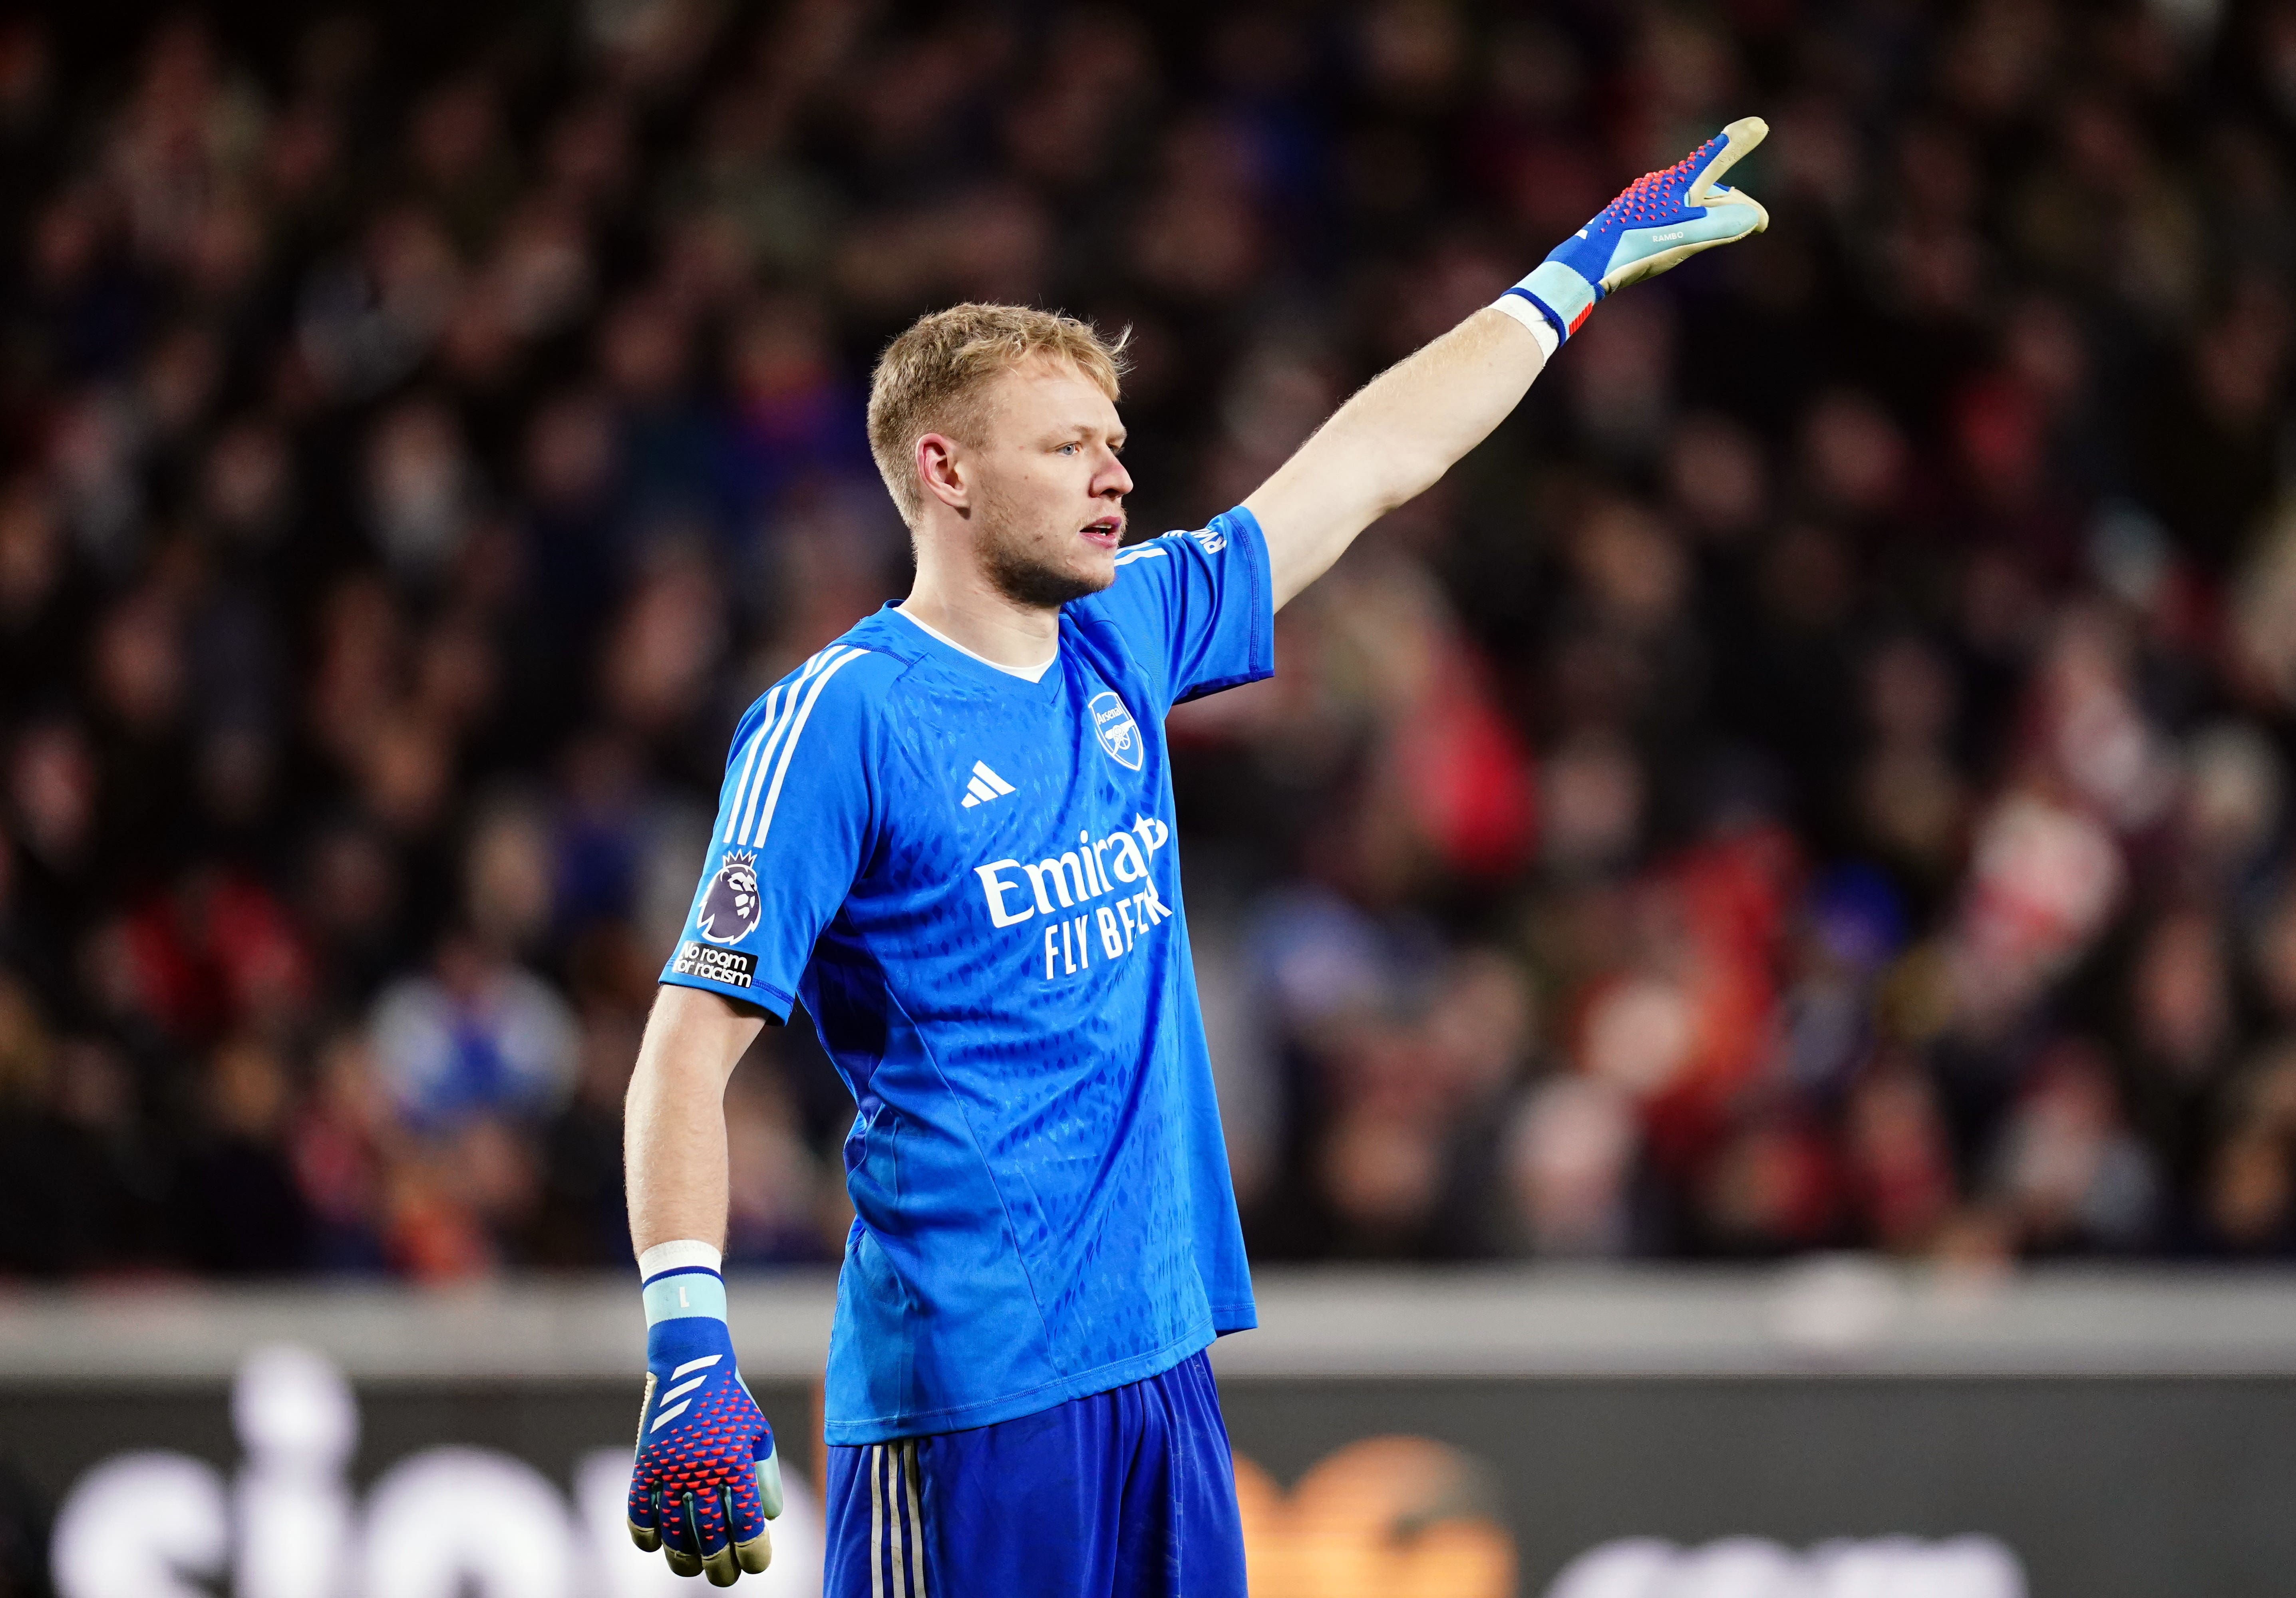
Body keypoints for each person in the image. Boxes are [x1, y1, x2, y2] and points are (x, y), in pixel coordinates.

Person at [620, 119, 1772, 1593]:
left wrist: (1572, 272)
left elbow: (1370, 461)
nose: (1116, 475)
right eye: (1068, 447)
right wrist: (686, 1344)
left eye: (1115, 440)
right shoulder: (841, 721)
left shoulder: (1127, 632)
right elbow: (682, 1050)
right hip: (976, 1395)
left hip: (1162, 1362)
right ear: (944, 469)